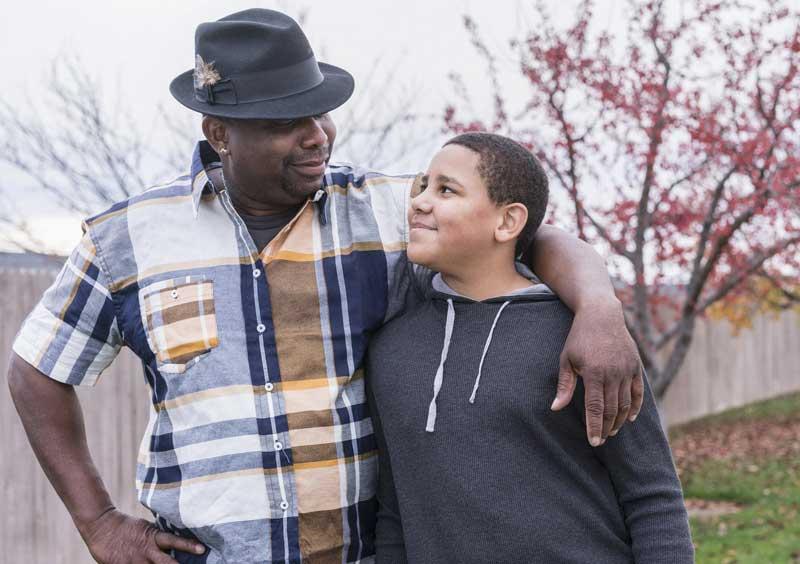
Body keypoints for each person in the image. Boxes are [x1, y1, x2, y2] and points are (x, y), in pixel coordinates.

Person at [7, 9, 643, 564]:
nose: (317, 134)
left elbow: (532, 235)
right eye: (287, 120)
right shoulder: (126, 239)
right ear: (219, 134)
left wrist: (597, 308)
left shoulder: (388, 213)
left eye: (320, 111)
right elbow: (38, 370)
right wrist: (96, 520)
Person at [367, 132, 694, 563]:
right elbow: (395, 511)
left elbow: (652, 496)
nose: (420, 202)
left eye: (446, 189)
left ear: (507, 222)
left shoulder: (585, 340)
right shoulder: (391, 347)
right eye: (423, 186)